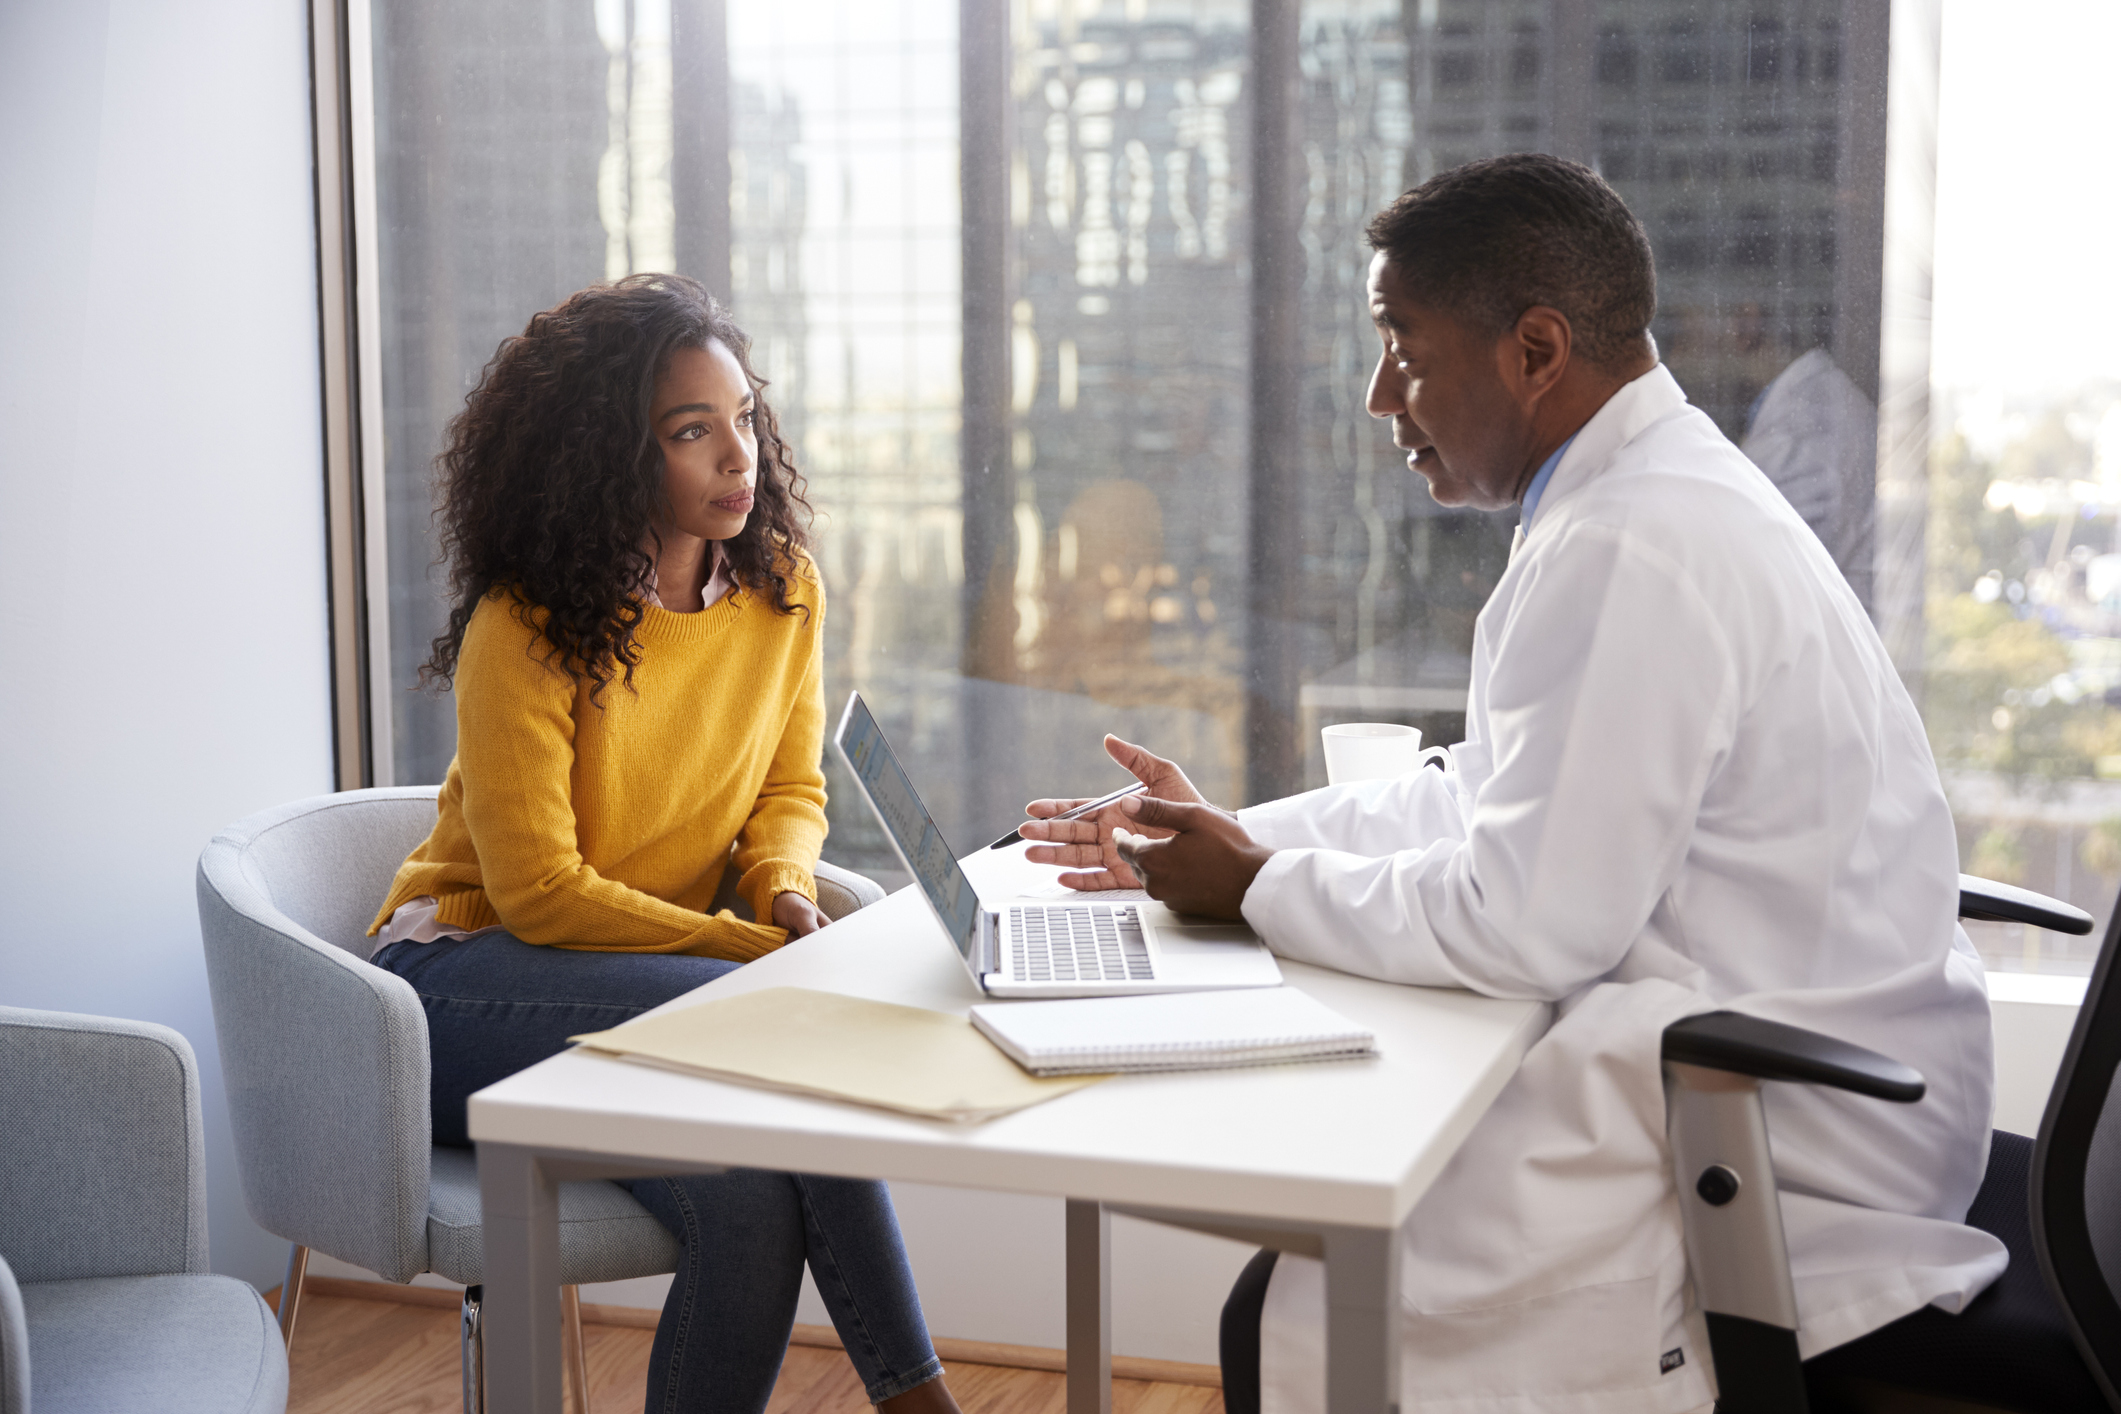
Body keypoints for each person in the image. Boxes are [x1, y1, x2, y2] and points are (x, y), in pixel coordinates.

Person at [1021, 154, 2002, 1414]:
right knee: (1326, 1237)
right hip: (1812, 1062)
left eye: (1404, 349)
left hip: (1783, 1130)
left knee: (1308, 1303)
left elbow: (1533, 921)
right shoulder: (1643, 496)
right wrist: (1223, 833)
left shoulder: (1634, 541)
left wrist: (1256, 887)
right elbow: (1483, 790)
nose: (1381, 397)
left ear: (1535, 350)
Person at [366, 274, 960, 1414]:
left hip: (653, 987)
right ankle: (921, 1402)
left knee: (747, 1199)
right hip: (456, 990)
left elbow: (790, 786)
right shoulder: (525, 625)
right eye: (693, 432)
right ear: (610, 457)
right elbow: (538, 895)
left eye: (744, 418)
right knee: (794, 1030)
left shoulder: (782, 591)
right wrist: (749, 957)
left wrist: (780, 885)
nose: (738, 456)